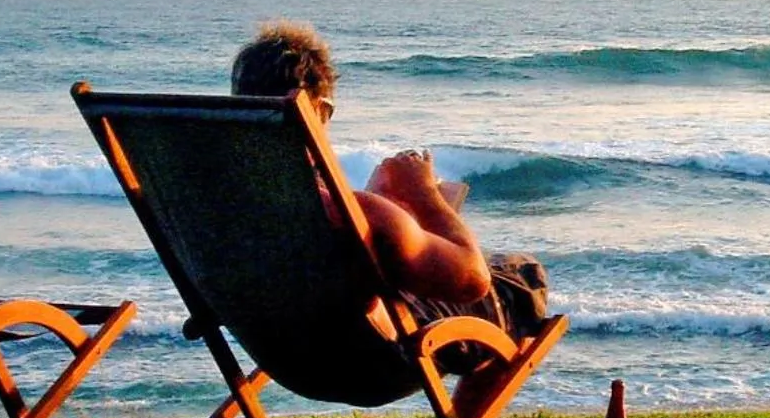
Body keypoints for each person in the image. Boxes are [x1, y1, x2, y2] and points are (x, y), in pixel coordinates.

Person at [230, 21, 551, 342]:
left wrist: (382, 209)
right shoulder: (348, 210)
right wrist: (424, 194)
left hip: (285, 349)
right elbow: (472, 279)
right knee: (519, 279)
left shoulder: (214, 203)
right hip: (370, 356)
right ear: (318, 110)